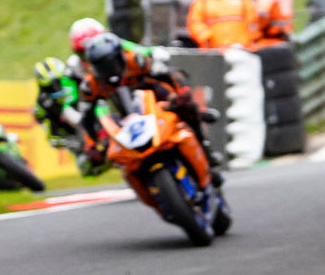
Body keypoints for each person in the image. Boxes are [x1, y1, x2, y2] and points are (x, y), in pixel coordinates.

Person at [79, 31, 223, 185]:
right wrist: (90, 146)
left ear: (121, 56)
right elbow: (85, 120)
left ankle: (206, 152)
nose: (110, 70)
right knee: (103, 152)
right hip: (122, 118)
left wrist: (183, 93)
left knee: (184, 107)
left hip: (154, 100)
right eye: (103, 67)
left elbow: (171, 73)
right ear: (93, 68)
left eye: (112, 63)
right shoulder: (90, 86)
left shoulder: (136, 60)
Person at [33, 55, 105, 176]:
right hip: (76, 135)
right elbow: (50, 134)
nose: (57, 88)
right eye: (50, 86)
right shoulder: (42, 105)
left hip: (96, 112)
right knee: (86, 168)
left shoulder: (75, 76)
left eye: (59, 81)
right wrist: (68, 142)